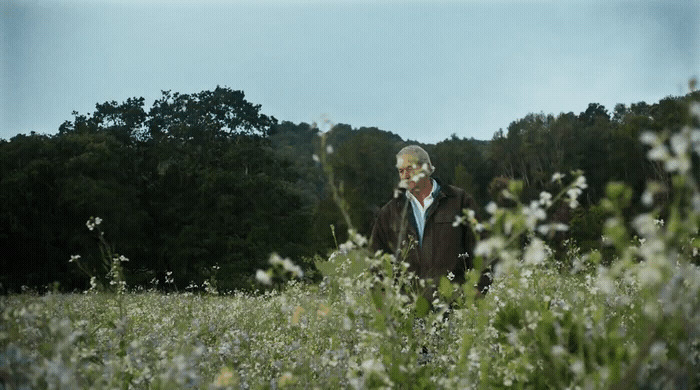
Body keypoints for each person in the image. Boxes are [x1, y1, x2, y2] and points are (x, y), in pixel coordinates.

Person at [369, 145, 490, 296]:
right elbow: (376, 260)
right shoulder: (389, 212)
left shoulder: (459, 201)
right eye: (401, 171)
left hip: (454, 305)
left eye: (410, 169)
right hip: (409, 310)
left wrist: (480, 290)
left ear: (426, 168)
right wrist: (382, 301)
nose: (405, 176)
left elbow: (482, 248)